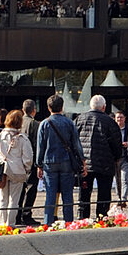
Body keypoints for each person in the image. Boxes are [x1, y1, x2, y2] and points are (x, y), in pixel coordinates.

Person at [35, 94, 83, 225]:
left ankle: (48, 222)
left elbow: (41, 146)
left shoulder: (44, 123)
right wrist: (82, 160)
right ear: (62, 107)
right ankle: (68, 222)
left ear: (48, 107)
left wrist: (39, 165)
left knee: (50, 195)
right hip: (67, 161)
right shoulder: (69, 123)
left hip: (49, 161)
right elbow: (76, 145)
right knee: (67, 195)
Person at [75, 94, 123, 219]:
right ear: (103, 107)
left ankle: (83, 219)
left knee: (84, 195)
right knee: (104, 194)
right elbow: (116, 143)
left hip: (85, 164)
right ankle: (101, 218)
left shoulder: (80, 119)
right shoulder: (110, 122)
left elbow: (73, 141)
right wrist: (117, 157)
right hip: (105, 163)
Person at [0, 110, 34, 227]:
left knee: (3, 199)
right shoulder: (23, 138)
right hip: (18, 171)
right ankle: (11, 223)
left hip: (3, 170)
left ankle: (3, 223)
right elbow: (28, 158)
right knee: (14, 200)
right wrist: (26, 168)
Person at [15, 98, 43, 226]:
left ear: (23, 110)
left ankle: (17, 213)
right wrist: (39, 164)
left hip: (18, 160)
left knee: (20, 188)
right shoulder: (34, 124)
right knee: (31, 188)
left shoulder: (18, 123)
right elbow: (38, 145)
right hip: (30, 160)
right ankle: (26, 214)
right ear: (34, 111)